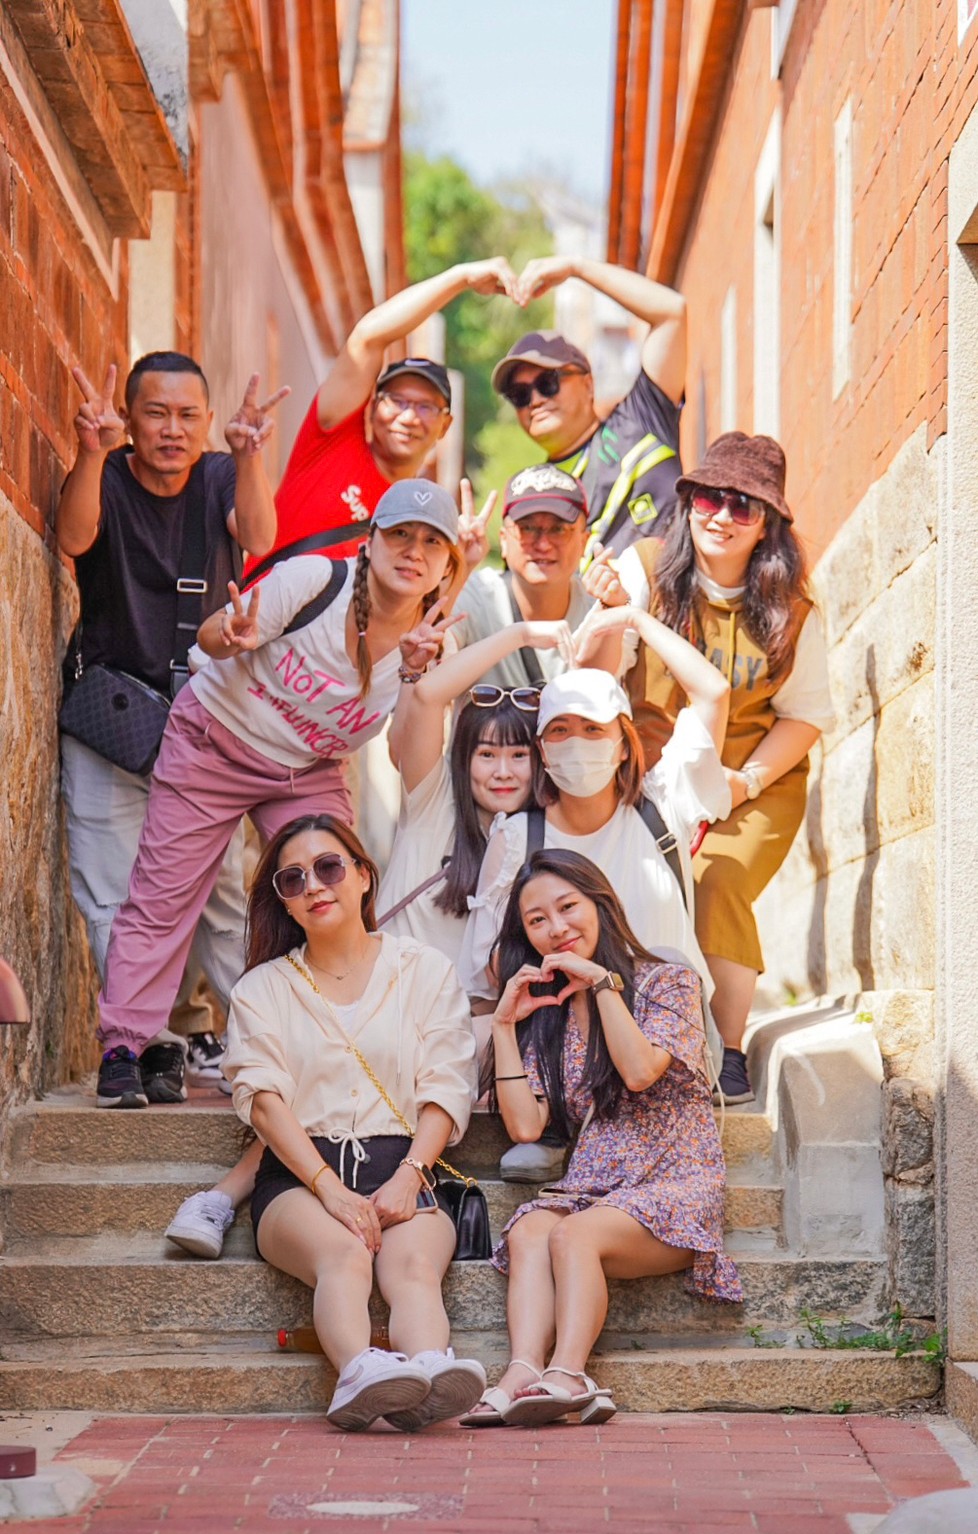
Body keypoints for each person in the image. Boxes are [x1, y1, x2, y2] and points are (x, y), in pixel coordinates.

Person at [94, 478, 473, 1233]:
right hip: (215, 738)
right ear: (371, 541)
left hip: (306, 767)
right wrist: (229, 636)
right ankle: (125, 1048)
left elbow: (406, 759)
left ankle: (327, 1049)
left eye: (432, 544)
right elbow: (213, 637)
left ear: (447, 566)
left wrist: (416, 676)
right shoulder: (316, 582)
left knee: (336, 897)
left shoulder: (436, 644)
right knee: (167, 893)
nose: (413, 552)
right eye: (401, 535)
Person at [57, 352, 285, 1099]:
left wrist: (249, 456)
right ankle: (145, 1045)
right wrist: (90, 452)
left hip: (202, 726)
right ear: (131, 419)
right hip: (112, 722)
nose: (172, 430)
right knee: (109, 889)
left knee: (217, 897)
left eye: (189, 415)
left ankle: (269, 1046)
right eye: (156, 413)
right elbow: (74, 538)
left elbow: (259, 532)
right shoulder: (107, 475)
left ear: (207, 421)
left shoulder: (219, 476)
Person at [461, 851, 742, 1428]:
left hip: (674, 1184)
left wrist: (603, 984)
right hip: (594, 1189)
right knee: (530, 1229)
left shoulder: (667, 982)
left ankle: (569, 1373)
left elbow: (639, 1071)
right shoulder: (550, 1012)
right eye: (537, 920)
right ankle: (521, 1372)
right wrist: (505, 1025)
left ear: (601, 904)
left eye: (568, 907)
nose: (556, 927)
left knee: (572, 1234)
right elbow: (524, 1126)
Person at [223, 814, 486, 1431]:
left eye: (329, 867)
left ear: (364, 876)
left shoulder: (423, 970)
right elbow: (263, 1100)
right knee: (344, 1252)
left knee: (414, 1268)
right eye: (293, 879)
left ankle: (429, 1373)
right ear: (284, 902)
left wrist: (409, 1176)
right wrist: (330, 1189)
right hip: (300, 1178)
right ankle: (359, 1377)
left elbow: (447, 1085)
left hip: (406, 1166)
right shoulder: (261, 989)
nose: (314, 886)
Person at [607, 433, 835, 1105]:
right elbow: (599, 674)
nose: (722, 516)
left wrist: (747, 782)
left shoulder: (792, 611)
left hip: (754, 780)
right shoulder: (644, 569)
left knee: (717, 878)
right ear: (689, 501)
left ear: (768, 523)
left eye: (744, 505)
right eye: (710, 497)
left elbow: (805, 716)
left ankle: (727, 1051)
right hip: (650, 779)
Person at [459, 645, 730, 1182]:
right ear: (541, 748)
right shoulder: (519, 835)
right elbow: (488, 960)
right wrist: (559, 959)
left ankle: (626, 1135)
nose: (577, 743)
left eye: (593, 728)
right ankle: (556, 1121)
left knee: (667, 960)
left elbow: (714, 693)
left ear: (624, 742)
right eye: (559, 730)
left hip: (659, 1024)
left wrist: (631, 620)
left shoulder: (663, 806)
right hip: (561, 1025)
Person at [244, 257, 519, 581]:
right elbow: (368, 338)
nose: (409, 416)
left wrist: (463, 566)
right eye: (396, 401)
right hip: (257, 611)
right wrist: (461, 278)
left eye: (426, 407)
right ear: (372, 408)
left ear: (445, 425)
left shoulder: (423, 516)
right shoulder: (331, 439)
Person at [378, 615, 576, 966]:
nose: (503, 772)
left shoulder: (547, 835)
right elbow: (427, 695)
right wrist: (520, 633)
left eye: (519, 755)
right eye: (486, 755)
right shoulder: (433, 802)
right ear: (464, 759)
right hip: (394, 992)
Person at [492, 259, 687, 562]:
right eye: (519, 395)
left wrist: (576, 268)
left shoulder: (641, 418)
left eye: (548, 383)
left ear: (588, 384)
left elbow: (671, 313)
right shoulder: (536, 496)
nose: (535, 400)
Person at [449, 465, 626, 687]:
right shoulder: (473, 595)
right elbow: (433, 659)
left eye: (559, 529)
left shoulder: (599, 608)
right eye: (528, 528)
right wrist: (455, 570)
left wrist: (613, 610)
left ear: (584, 542)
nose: (543, 544)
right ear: (503, 540)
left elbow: (601, 686)